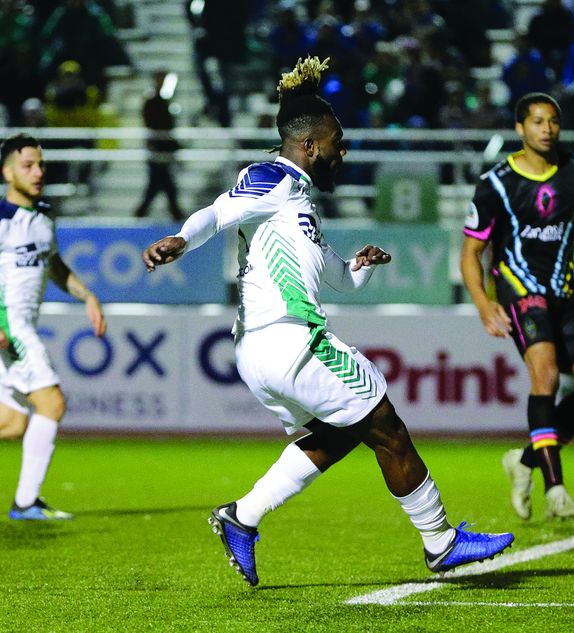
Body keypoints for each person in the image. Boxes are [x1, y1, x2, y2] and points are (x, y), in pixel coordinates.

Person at [141, 56, 513, 587]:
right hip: (292, 340)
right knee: (385, 423)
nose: (344, 149)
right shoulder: (271, 176)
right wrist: (182, 238)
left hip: (261, 351)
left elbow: (335, 277)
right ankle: (442, 542)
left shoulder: (296, 202)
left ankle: (241, 518)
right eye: (338, 139)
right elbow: (219, 212)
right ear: (309, 145)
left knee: (337, 435)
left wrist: (359, 267)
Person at [460, 92, 574, 521]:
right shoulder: (495, 184)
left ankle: (525, 460)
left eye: (553, 122)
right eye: (537, 122)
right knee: (544, 374)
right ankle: (556, 491)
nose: (547, 129)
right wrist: (482, 303)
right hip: (518, 287)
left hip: (564, 290)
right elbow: (470, 252)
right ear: (520, 128)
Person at [0, 133, 107, 520]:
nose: (38, 172)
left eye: (41, 164)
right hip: (11, 327)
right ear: (7, 172)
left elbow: (54, 266)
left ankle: (26, 503)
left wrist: (87, 296)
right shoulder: (2, 221)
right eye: (28, 165)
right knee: (52, 403)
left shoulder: (43, 216)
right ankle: (26, 503)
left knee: (12, 423)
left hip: (18, 326)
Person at [134, 70, 183, 220]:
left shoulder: (168, 99)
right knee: (161, 182)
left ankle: (143, 212)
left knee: (158, 183)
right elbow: (150, 123)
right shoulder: (151, 100)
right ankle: (174, 212)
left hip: (165, 147)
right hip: (156, 147)